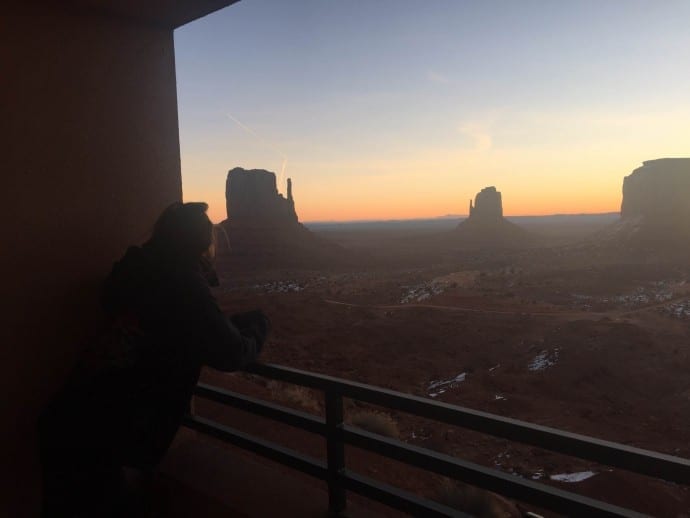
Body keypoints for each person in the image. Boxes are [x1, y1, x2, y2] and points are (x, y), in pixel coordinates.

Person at [39, 202, 269, 517]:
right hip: (112, 439)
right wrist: (258, 328)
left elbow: (171, 323)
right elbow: (230, 352)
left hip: (71, 418)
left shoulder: (137, 272)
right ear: (198, 244)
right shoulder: (181, 282)